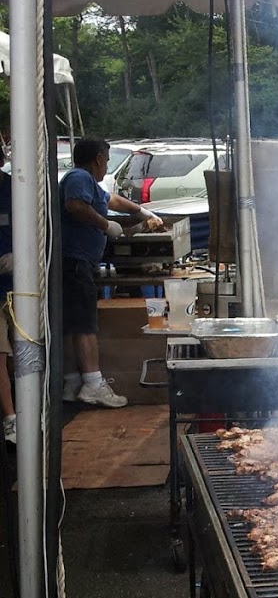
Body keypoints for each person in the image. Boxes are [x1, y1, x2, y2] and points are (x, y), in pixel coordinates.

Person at [60, 137, 164, 409]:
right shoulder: (78, 178)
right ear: (98, 158)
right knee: (84, 325)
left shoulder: (89, 183)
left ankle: (73, 382)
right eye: (106, 159)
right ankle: (94, 385)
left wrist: (142, 211)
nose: (107, 165)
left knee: (73, 324)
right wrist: (105, 225)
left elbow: (113, 200)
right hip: (75, 263)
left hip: (77, 263)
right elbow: (75, 206)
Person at [0, 167, 14, 445]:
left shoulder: (16, 187)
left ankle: (28, 410)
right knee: (0, 354)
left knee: (24, 351)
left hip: (21, 289)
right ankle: (12, 419)